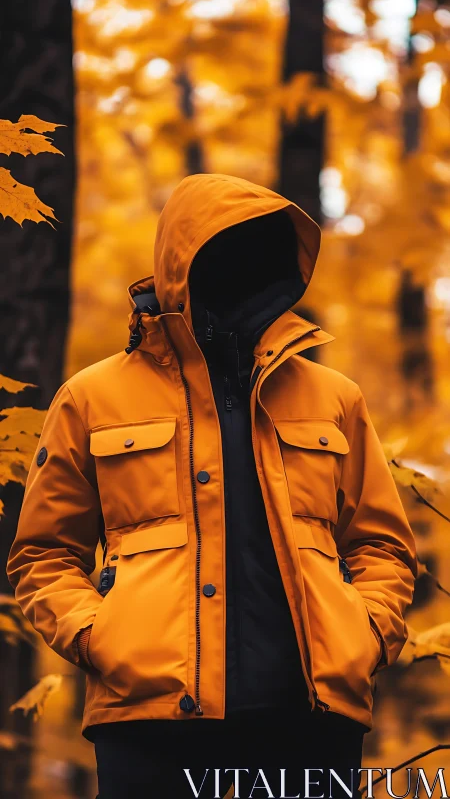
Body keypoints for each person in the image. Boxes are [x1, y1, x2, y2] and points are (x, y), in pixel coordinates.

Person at [7, 174, 417, 799]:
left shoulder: (334, 398)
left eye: (257, 250)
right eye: (221, 251)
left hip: (311, 725)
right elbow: (42, 554)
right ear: (179, 263)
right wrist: (101, 636)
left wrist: (363, 634)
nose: (239, 267)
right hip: (151, 726)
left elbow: (382, 546)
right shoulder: (91, 398)